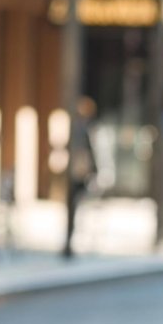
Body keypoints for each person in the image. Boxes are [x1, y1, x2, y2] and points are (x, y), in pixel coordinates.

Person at [63, 96, 97, 259]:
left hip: (74, 170)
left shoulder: (74, 127)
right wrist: (93, 170)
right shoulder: (82, 128)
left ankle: (69, 241)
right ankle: (69, 242)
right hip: (78, 171)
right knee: (74, 205)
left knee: (73, 205)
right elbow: (90, 151)